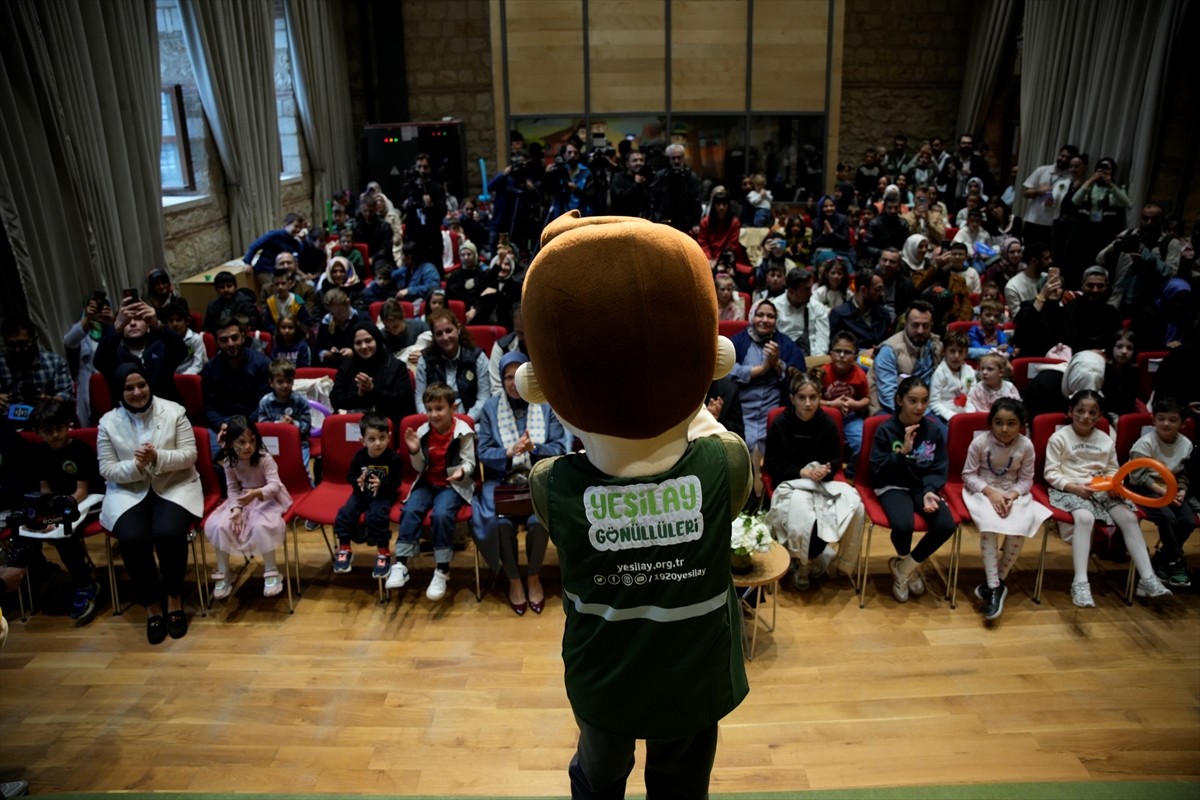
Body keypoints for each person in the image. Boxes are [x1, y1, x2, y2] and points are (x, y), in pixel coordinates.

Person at [97, 363, 203, 643]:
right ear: (119, 391)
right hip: (128, 490)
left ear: (149, 384)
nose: (137, 392)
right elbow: (107, 469)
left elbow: (189, 455)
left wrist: (157, 458)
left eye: (141, 385)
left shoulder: (174, 411)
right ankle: (151, 605)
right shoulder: (108, 422)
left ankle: (174, 598)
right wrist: (136, 466)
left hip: (174, 484)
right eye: (129, 388)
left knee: (168, 532)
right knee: (132, 538)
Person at [1043, 390, 1172, 607]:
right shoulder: (1059, 438)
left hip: (1103, 488)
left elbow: (1113, 468)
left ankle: (1148, 578)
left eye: (1092, 412)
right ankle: (1080, 582)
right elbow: (1051, 473)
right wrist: (1073, 487)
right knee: (1085, 519)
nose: (1086, 416)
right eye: (1080, 411)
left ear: (1099, 415)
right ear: (1070, 412)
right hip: (1071, 488)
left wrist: (1115, 483)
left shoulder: (1105, 439)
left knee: (1129, 518)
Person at [471, 352, 570, 614]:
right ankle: (514, 581)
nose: (513, 383)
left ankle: (533, 578)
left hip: (536, 477)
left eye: (518, 377)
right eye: (507, 377)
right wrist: (508, 452)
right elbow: (483, 452)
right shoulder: (491, 408)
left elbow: (560, 447)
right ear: (501, 381)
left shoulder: (546, 405)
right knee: (500, 522)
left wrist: (534, 447)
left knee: (539, 522)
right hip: (503, 480)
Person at [764, 372, 865, 590]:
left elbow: (835, 461)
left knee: (854, 509)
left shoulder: (827, 424)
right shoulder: (781, 423)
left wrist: (824, 470)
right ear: (792, 398)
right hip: (791, 481)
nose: (808, 404)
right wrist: (802, 472)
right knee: (804, 517)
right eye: (802, 397)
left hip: (821, 484)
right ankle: (802, 561)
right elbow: (772, 464)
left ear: (820, 397)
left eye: (813, 397)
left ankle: (815, 560)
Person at [962, 398, 1052, 620]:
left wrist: (1011, 495)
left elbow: (1026, 479)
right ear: (990, 422)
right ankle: (994, 585)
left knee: (1019, 526)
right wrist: (991, 493)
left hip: (1013, 493)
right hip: (982, 491)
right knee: (989, 526)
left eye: (1011, 423)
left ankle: (996, 584)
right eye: (998, 422)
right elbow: (968, 475)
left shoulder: (1026, 446)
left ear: (1020, 425)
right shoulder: (980, 443)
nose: (1004, 429)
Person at [386, 382, 477, 601]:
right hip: (427, 483)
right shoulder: (423, 431)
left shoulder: (464, 432)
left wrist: (461, 472)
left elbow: (471, 463)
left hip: (451, 485)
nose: (433, 415)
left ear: (452, 408)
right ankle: (401, 564)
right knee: (410, 510)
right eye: (429, 409)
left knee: (442, 514)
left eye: (439, 408)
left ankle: (442, 569)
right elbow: (419, 468)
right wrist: (415, 451)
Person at [868, 376, 955, 602]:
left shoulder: (933, 430)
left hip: (921, 486)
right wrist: (901, 453)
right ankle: (907, 565)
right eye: (912, 400)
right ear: (899, 400)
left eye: (924, 401)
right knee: (903, 525)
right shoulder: (885, 430)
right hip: (892, 484)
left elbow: (938, 467)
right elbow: (878, 471)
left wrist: (929, 490)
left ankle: (904, 568)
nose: (919, 407)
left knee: (946, 525)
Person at [15, 401, 103, 623]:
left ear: (68, 425)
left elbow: (81, 490)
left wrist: (57, 515)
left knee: (65, 533)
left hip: (87, 501)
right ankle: (43, 576)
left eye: (59, 429)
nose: (54, 435)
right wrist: (45, 514)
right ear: (38, 432)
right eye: (47, 431)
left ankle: (85, 584)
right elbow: (45, 488)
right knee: (27, 526)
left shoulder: (80, 450)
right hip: (59, 503)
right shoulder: (39, 454)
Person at [204, 416, 291, 600]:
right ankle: (224, 572)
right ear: (230, 443)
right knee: (220, 525)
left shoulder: (265, 458)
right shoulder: (229, 462)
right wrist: (235, 509)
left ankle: (271, 571)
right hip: (243, 499)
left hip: (267, 498)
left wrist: (256, 493)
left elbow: (275, 485)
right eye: (241, 442)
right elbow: (233, 489)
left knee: (261, 526)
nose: (248, 446)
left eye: (252, 441)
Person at [1124, 396, 1194, 589]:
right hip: (1145, 489)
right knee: (1167, 517)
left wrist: (1181, 490)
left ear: (1183, 423)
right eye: (1161, 418)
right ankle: (1176, 561)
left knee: (1188, 521)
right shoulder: (1144, 444)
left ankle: (1163, 559)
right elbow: (1135, 477)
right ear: (1153, 420)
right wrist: (1163, 492)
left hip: (1171, 489)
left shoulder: (1186, 444)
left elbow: (1184, 473)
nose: (1166, 423)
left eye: (1172, 420)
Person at [729, 299, 808, 464]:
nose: (765, 320)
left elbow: (800, 378)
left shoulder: (786, 344)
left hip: (773, 411)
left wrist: (778, 364)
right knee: (741, 455)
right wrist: (762, 369)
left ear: (776, 321)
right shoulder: (738, 341)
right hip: (742, 410)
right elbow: (725, 371)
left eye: (770, 316)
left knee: (778, 457)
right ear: (752, 317)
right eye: (760, 315)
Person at [332, 412, 402, 577]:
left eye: (382, 438)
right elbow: (350, 476)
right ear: (362, 441)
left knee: (377, 516)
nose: (378, 443)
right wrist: (358, 481)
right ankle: (344, 548)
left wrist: (383, 484)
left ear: (389, 437)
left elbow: (397, 482)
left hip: (383, 495)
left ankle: (383, 552)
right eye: (372, 439)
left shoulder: (393, 458)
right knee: (344, 513)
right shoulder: (359, 457)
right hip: (361, 494)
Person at [94, 295, 188, 407]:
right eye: (127, 320)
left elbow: (181, 351)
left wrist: (158, 325)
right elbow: (99, 361)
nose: (133, 323)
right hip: (128, 418)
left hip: (166, 414)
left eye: (138, 319)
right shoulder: (112, 353)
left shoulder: (161, 347)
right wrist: (116, 327)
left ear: (148, 325)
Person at [200, 318, 272, 457]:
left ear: (243, 336)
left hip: (254, 422)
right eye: (224, 340)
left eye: (235, 338)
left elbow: (264, 403)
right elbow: (209, 407)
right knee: (208, 461)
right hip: (222, 425)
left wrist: (241, 426)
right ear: (216, 342)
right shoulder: (210, 369)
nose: (231, 344)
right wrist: (222, 425)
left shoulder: (262, 363)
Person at [329, 322, 416, 428]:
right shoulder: (346, 367)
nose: (364, 346)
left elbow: (402, 403)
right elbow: (335, 400)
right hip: (352, 427)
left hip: (387, 429)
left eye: (368, 341)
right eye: (358, 343)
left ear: (377, 340)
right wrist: (358, 395)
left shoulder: (397, 367)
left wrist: (373, 390)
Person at [867, 300, 942, 416]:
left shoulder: (935, 345)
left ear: (932, 326)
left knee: (945, 432)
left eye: (925, 326)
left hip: (925, 407)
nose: (920, 331)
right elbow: (888, 395)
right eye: (915, 325)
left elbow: (959, 351)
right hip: (891, 408)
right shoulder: (889, 350)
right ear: (905, 323)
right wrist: (915, 416)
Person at [415, 309, 490, 422]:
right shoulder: (425, 360)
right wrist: (433, 420)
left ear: (458, 329)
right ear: (434, 337)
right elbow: (420, 400)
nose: (445, 337)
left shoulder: (478, 358)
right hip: (435, 422)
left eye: (449, 331)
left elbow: (484, 398)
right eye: (439, 334)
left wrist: (466, 421)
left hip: (472, 422)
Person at [0, 316, 75, 426]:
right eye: (11, 345)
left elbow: (68, 398)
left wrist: (48, 399)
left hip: (49, 421)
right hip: (10, 425)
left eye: (23, 344)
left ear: (34, 340)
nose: (17, 350)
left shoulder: (54, 362)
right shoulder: (2, 364)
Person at [818, 331, 870, 462]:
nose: (841, 355)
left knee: (862, 442)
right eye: (837, 351)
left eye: (847, 352)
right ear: (830, 353)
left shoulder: (859, 374)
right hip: (824, 417)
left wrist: (855, 404)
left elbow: (867, 399)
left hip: (850, 417)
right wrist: (831, 404)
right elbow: (812, 400)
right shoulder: (822, 373)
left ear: (855, 356)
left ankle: (850, 474)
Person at [62, 294, 113, 425]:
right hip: (89, 388)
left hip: (112, 385)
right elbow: (69, 341)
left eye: (103, 306)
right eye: (96, 307)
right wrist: (88, 318)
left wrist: (114, 323)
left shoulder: (114, 328)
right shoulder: (83, 331)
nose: (100, 311)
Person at [256, 358, 313, 468]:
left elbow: (307, 426)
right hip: (273, 443)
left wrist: (293, 425)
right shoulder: (265, 401)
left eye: (289, 381)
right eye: (280, 381)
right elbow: (263, 426)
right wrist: (279, 426)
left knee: (303, 472)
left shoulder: (300, 401)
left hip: (298, 443)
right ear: (271, 383)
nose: (285, 385)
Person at [1021, 145, 1078, 246]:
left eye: (1068, 158)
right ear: (1058, 155)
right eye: (1062, 156)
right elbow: (1025, 193)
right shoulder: (1042, 170)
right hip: (1033, 220)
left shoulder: (1070, 177)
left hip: (1052, 223)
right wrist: (1039, 191)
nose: (1063, 159)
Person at [1061, 266, 1122, 353]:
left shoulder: (1112, 312)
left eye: (1100, 286)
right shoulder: (1069, 310)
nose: (1095, 290)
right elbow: (1072, 342)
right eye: (1090, 285)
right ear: (1082, 285)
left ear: (1107, 286)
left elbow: (1117, 341)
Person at [828, 268, 891, 351]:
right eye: (877, 290)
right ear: (863, 290)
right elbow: (836, 348)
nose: (882, 294)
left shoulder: (884, 314)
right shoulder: (839, 315)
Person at [774, 267, 829, 357]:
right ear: (791, 291)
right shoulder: (774, 308)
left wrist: (813, 365)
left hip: (811, 358)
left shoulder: (818, 308)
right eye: (806, 290)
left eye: (811, 288)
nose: (811, 294)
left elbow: (822, 343)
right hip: (782, 358)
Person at [649, 143, 703, 233]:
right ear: (668, 159)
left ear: (683, 158)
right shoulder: (660, 176)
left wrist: (696, 223)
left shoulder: (690, 177)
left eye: (679, 157)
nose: (676, 161)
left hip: (685, 222)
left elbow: (697, 201)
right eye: (673, 158)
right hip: (664, 221)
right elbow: (653, 199)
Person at [244, 213, 303, 289]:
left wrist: (303, 241)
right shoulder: (275, 235)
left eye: (300, 228)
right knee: (279, 290)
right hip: (266, 269)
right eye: (296, 226)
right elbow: (255, 245)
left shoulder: (294, 241)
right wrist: (248, 262)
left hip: (281, 271)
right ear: (287, 225)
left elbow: (299, 254)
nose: (298, 230)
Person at [929, 331, 976, 423]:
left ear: (966, 353)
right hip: (945, 414)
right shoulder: (939, 373)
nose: (956, 356)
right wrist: (953, 416)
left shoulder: (969, 370)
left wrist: (969, 413)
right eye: (952, 351)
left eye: (960, 352)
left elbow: (972, 395)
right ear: (944, 352)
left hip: (967, 412)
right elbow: (934, 403)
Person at [697, 188, 744, 270]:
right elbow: (703, 243)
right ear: (714, 206)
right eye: (718, 204)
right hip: (708, 259)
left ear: (728, 206)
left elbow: (732, 245)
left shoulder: (734, 223)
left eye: (724, 204)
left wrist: (718, 260)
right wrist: (709, 259)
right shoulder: (705, 222)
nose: (721, 207)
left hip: (726, 258)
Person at [314, 288, 362, 367]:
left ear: (348, 303)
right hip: (333, 366)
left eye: (340, 312)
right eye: (333, 313)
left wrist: (354, 352)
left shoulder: (361, 319)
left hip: (357, 365)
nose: (337, 316)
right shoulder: (326, 321)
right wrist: (327, 353)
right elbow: (319, 347)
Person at [862, 195, 911, 268]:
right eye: (890, 207)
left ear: (899, 208)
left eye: (896, 208)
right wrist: (883, 253)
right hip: (877, 258)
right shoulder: (874, 223)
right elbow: (866, 247)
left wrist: (899, 253)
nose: (893, 211)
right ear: (885, 208)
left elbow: (907, 245)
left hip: (898, 258)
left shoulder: (903, 224)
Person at [261, 266, 312, 335]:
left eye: (283, 283)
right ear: (273, 286)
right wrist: (277, 331)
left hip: (295, 334)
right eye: (277, 284)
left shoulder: (297, 301)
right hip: (277, 335)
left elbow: (305, 321)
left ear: (290, 284)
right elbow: (267, 323)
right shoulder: (271, 302)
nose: (280, 287)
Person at [159, 302, 206, 376]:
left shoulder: (195, 338)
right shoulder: (163, 340)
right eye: (170, 321)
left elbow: (197, 365)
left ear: (187, 321)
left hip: (190, 376)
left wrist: (182, 377)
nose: (174, 324)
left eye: (178, 320)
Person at [1003, 242, 1051, 311]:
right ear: (1034, 261)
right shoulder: (1013, 286)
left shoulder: (1048, 278)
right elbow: (1019, 318)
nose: (1050, 261)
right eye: (1046, 259)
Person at [609, 149, 651, 218]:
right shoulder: (619, 178)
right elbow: (622, 199)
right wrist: (636, 184)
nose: (639, 163)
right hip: (624, 220)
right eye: (635, 160)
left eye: (641, 160)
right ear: (627, 164)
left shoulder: (645, 177)